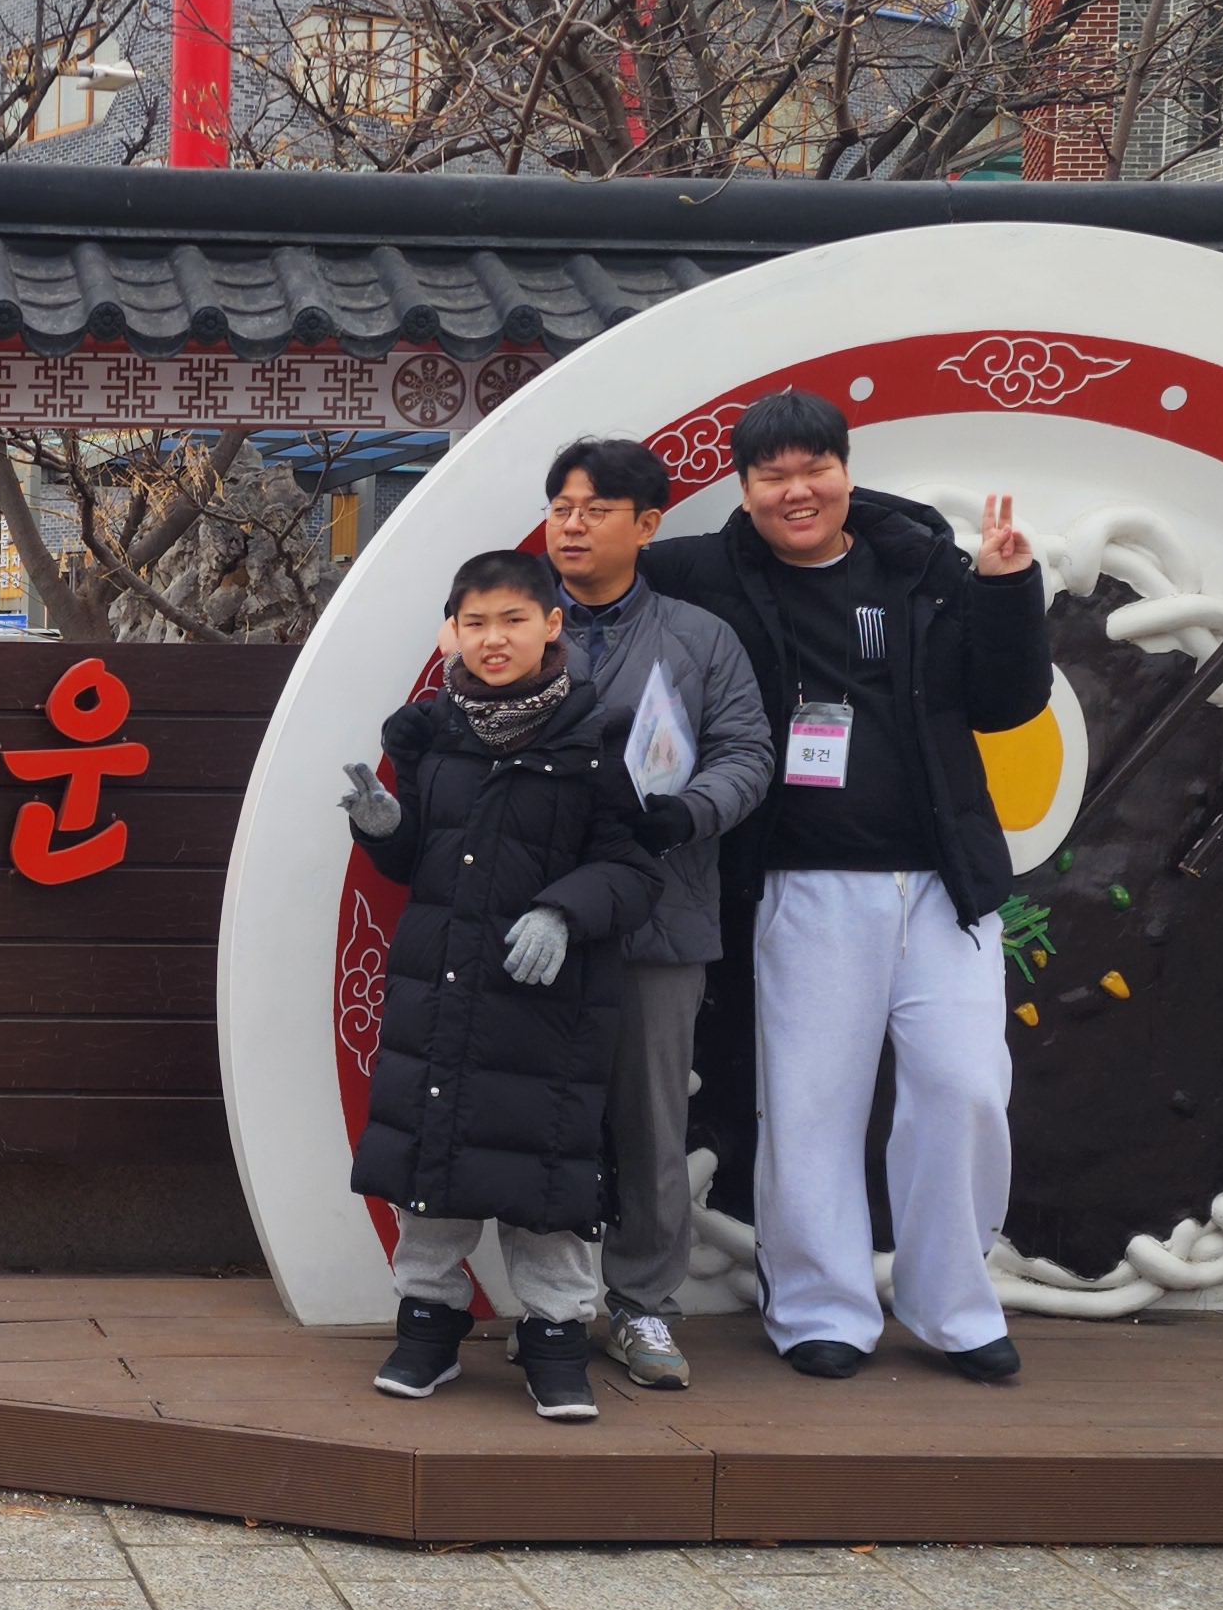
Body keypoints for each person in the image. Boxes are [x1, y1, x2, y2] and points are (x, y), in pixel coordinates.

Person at [641, 390, 1048, 1382]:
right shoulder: (706, 572)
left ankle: (955, 1305)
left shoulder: (923, 565)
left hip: (943, 887)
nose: (797, 491)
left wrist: (1007, 588)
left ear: (845, 470)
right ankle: (819, 1306)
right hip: (803, 886)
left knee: (965, 1089)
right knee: (811, 1102)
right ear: (743, 488)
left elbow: (1005, 702)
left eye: (813, 468)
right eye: (772, 475)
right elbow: (603, 576)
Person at [341, 549, 663, 1420]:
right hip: (441, 990)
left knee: (546, 1173)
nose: (494, 639)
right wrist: (383, 828)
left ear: (551, 625)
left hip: (546, 1009)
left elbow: (635, 870)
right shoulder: (430, 735)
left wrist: (563, 910)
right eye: (475, 622)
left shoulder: (597, 741)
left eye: (513, 620)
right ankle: (428, 1325)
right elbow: (415, 861)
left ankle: (556, 1338)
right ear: (452, 631)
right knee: (431, 1163)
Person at [538, 436, 778, 1390]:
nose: (572, 525)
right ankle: (552, 1306)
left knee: (649, 1121)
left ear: (646, 526)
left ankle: (643, 1307)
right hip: (538, 914)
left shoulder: (700, 637)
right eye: (561, 507)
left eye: (595, 509)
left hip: (661, 912)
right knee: (539, 1110)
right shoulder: (519, 621)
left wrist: (690, 811)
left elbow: (748, 753)